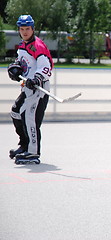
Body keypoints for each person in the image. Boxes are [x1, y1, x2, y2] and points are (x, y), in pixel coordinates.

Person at [7, 15, 53, 164]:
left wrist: (37, 78)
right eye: (22, 29)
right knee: (15, 112)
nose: (25, 32)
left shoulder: (37, 45)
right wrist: (14, 68)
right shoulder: (22, 45)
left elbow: (46, 66)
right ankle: (24, 145)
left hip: (38, 89)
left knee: (29, 118)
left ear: (33, 29)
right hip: (27, 89)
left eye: (28, 29)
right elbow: (20, 62)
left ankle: (33, 152)